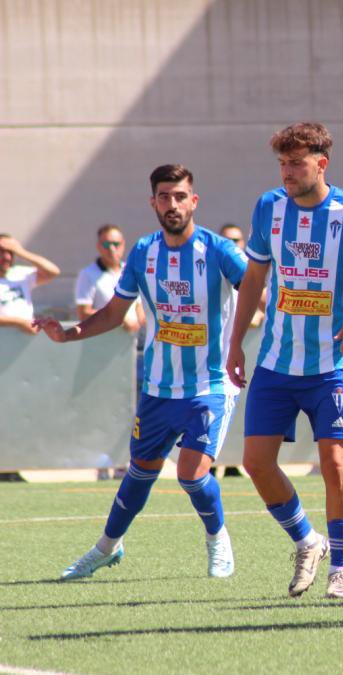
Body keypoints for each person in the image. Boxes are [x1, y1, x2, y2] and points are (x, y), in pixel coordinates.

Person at [36, 164, 247, 581]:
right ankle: (106, 548)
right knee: (139, 473)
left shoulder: (219, 251)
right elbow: (116, 313)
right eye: (165, 196)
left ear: (194, 201)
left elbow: (259, 289)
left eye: (180, 196)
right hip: (157, 388)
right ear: (153, 202)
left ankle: (217, 538)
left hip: (209, 385)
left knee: (190, 472)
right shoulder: (143, 253)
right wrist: (69, 334)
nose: (173, 204)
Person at [225, 122, 343, 600]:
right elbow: (253, 277)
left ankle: (341, 570)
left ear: (322, 163)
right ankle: (306, 540)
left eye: (296, 163)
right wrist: (236, 343)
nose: (287, 172)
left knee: (335, 463)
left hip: (333, 363)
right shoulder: (268, 206)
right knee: (255, 462)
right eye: (282, 163)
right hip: (276, 360)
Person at [74, 224, 143, 331]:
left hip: (132, 343)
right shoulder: (87, 274)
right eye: (106, 244)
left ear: (123, 244)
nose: (111, 249)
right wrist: (121, 319)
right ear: (98, 246)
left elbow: (139, 307)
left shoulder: (131, 270)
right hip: (102, 343)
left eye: (116, 244)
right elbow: (83, 313)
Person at [0, 234, 60, 334]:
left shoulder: (20, 273)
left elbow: (53, 272)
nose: (7, 257)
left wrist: (21, 251)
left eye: (10, 252)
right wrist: (20, 323)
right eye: (1, 251)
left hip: (24, 339)